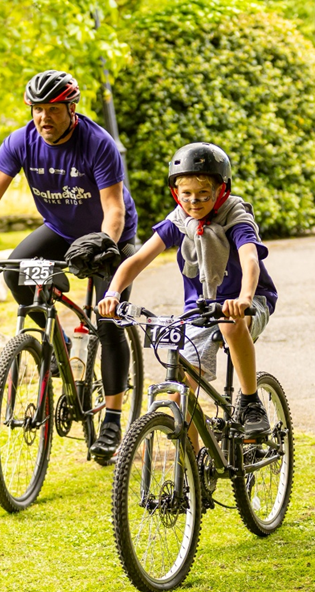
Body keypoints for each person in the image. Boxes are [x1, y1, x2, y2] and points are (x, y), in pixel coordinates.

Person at [0, 69, 138, 460]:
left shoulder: (97, 144)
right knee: (16, 272)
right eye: (38, 109)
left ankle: (111, 418)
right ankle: (61, 346)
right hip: (60, 228)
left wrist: (105, 244)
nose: (44, 118)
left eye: (53, 109)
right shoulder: (21, 141)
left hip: (110, 237)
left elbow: (113, 209)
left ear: (71, 109)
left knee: (108, 320)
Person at [98, 142, 278, 448]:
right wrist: (113, 292)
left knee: (229, 323)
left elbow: (249, 259)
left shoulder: (235, 214)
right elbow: (138, 259)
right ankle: (194, 476)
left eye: (203, 195)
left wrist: (245, 297)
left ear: (221, 191)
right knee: (179, 388)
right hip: (200, 309)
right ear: (176, 193)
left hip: (247, 303)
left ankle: (250, 402)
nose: (194, 202)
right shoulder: (179, 219)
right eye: (187, 195)